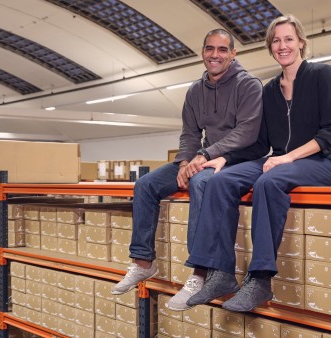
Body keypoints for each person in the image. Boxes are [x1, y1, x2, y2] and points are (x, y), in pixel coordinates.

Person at [183, 14, 331, 312]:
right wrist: (224, 158)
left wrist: (286, 157)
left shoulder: (322, 74)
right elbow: (260, 144)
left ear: (300, 43)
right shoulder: (270, 90)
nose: (282, 46)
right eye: (276, 40)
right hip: (279, 160)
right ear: (270, 47)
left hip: (324, 161)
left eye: (288, 39)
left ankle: (260, 279)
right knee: (220, 181)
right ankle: (220, 273)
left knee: (267, 181)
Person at [111, 28, 264, 311]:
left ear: (233, 53)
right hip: (202, 156)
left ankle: (199, 273)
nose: (214, 55)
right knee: (145, 185)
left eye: (221, 49)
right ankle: (143, 261)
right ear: (202, 52)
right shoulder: (196, 91)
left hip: (238, 158)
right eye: (209, 49)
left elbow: (247, 132)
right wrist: (184, 162)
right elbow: (190, 134)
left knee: (201, 182)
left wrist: (204, 156)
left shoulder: (249, 85)